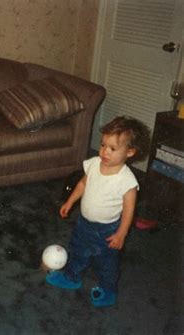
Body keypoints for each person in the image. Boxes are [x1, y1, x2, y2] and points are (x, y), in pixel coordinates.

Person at [46, 116, 150, 307]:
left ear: (130, 152)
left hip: (107, 230)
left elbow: (129, 210)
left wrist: (121, 233)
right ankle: (71, 277)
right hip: (84, 222)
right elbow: (83, 183)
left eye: (112, 148)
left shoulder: (126, 180)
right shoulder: (94, 163)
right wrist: (70, 202)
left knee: (107, 262)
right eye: (103, 145)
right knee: (77, 250)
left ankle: (108, 289)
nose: (104, 151)